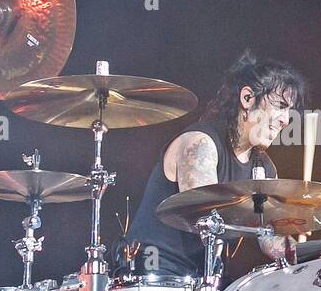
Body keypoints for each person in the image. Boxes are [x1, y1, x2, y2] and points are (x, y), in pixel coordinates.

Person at [125, 51, 306, 277]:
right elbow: (206, 219)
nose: (285, 119)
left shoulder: (264, 167)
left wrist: (298, 248)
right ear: (248, 98)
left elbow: (267, 235)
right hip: (153, 268)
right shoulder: (201, 143)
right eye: (280, 105)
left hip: (204, 277)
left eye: (289, 111)